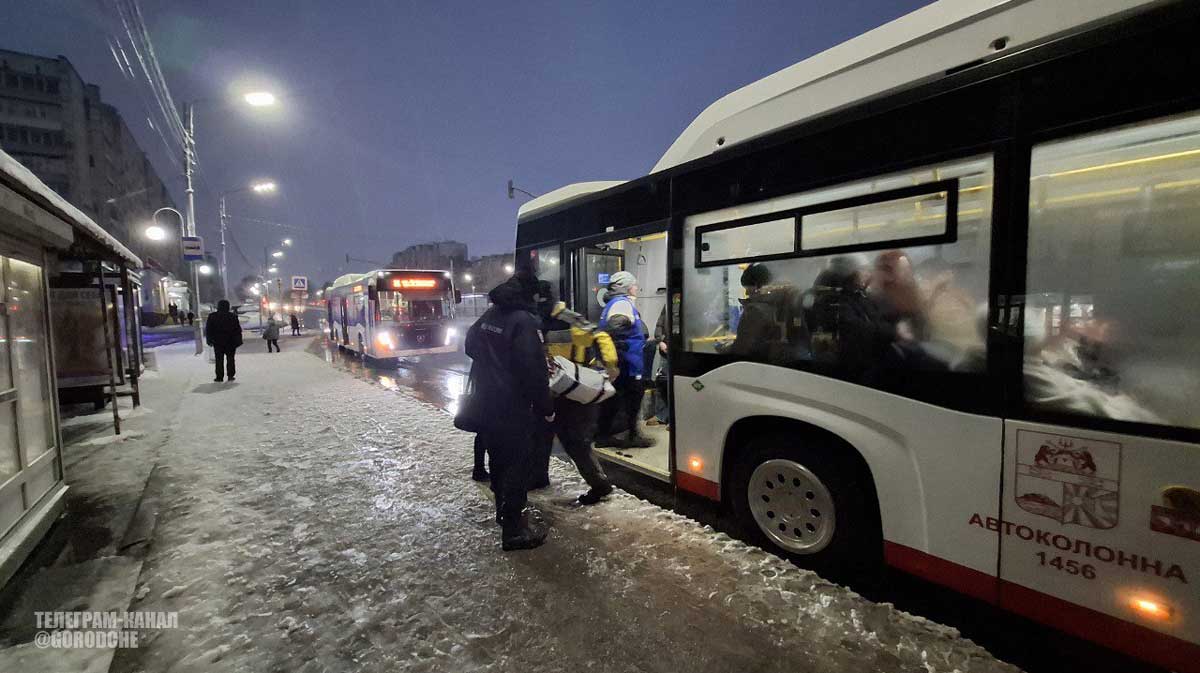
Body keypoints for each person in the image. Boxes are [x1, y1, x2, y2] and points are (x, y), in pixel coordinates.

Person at [464, 271, 554, 551]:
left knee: (498, 461)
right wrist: (546, 408)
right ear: (529, 294)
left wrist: (493, 365)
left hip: (486, 400)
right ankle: (514, 532)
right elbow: (534, 372)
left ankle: (502, 512)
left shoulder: (491, 314)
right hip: (513, 406)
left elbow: (470, 345)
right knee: (517, 465)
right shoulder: (523, 321)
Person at [535, 283, 620, 505]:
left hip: (571, 389)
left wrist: (610, 365)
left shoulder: (564, 318)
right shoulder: (545, 318)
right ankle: (538, 478)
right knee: (552, 437)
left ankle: (600, 485)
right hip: (560, 388)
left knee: (573, 441)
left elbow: (600, 336)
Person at [595, 271, 656, 448]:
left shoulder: (615, 303)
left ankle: (604, 436)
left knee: (614, 399)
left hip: (623, 362)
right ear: (627, 287)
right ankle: (631, 435)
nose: (636, 287)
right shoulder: (622, 304)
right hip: (627, 363)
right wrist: (621, 353)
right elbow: (613, 331)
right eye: (634, 285)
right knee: (632, 400)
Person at [721, 263, 808, 363]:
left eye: (748, 288)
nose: (747, 293)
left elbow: (743, 349)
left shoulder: (755, 311)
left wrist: (726, 350)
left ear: (757, 286)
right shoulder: (785, 303)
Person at [204, 299, 244, 382]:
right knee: (230, 359)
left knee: (219, 360)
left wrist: (209, 340)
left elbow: (209, 329)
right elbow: (237, 329)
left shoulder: (212, 316)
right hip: (230, 342)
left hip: (217, 342)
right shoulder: (232, 316)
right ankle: (230, 375)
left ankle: (219, 377)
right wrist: (238, 341)